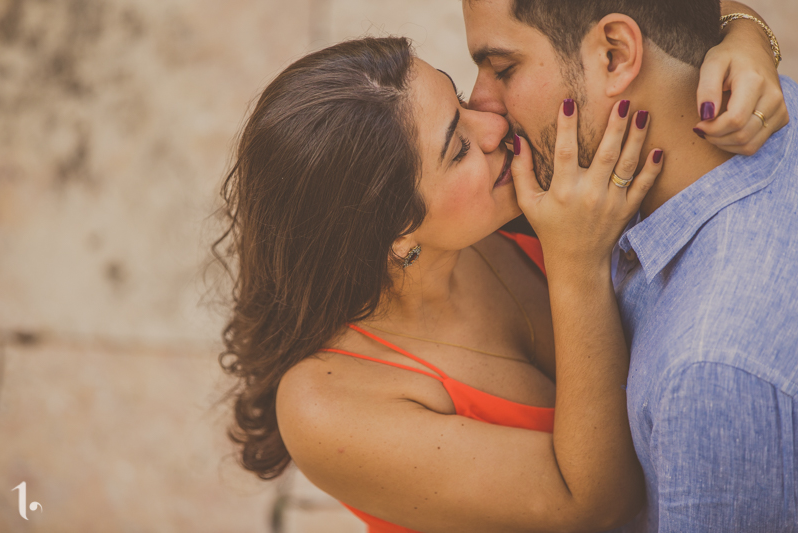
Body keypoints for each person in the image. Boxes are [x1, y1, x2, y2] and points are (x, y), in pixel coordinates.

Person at [215, 18, 785, 533]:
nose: (493, 122)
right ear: (395, 232)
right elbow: (596, 504)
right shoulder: (326, 406)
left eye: (460, 99)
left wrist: (745, 35)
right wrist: (577, 265)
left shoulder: (499, 202)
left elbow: (628, 24)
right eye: (458, 148)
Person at [462, 0, 796, 531]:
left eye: (503, 68)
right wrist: (747, 27)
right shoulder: (765, 101)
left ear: (615, 56)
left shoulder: (707, 374)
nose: (481, 104)